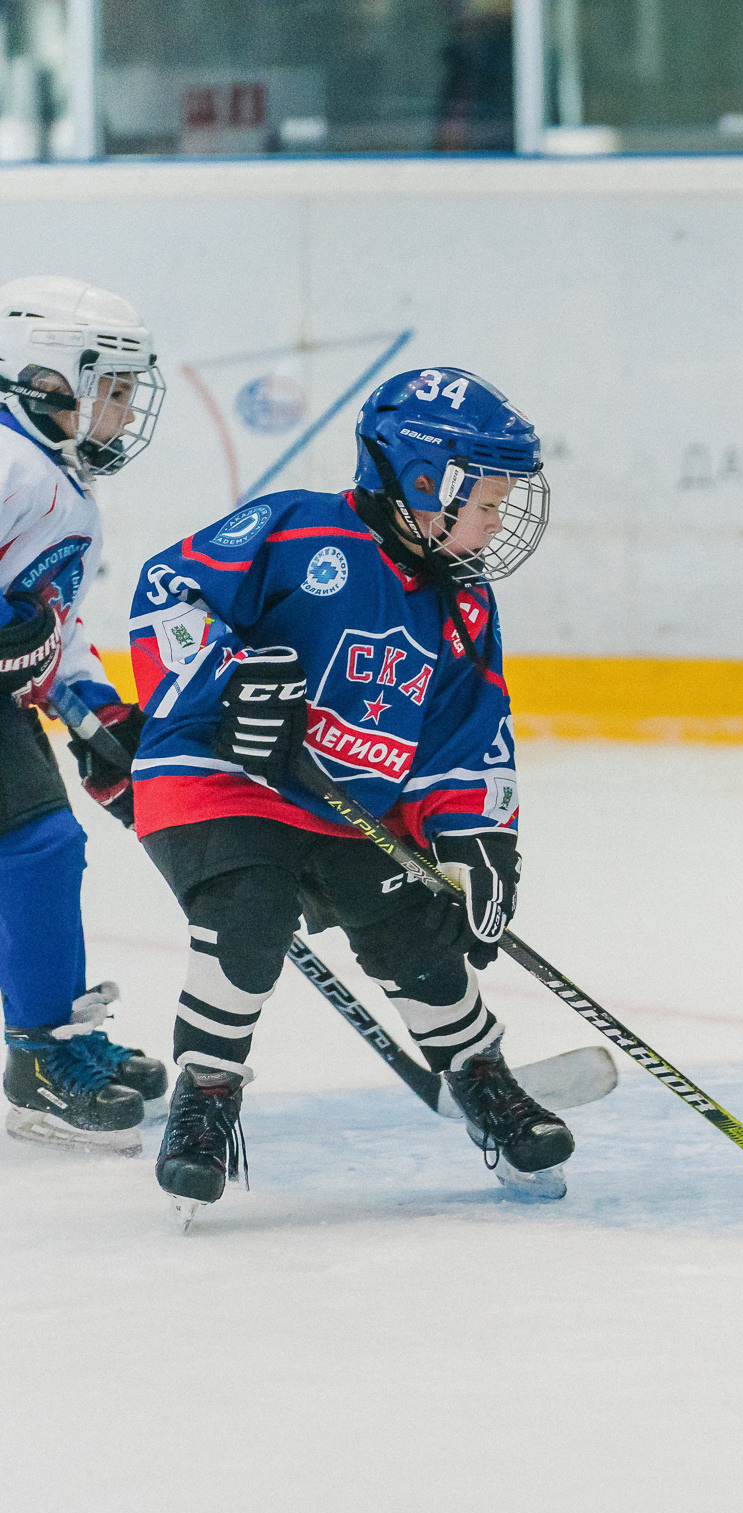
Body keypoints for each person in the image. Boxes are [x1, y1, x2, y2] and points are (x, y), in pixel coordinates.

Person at [125, 366, 567, 1209]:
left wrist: (476, 837)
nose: (498, 523)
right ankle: (207, 1096)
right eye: (486, 503)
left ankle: (480, 1077)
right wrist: (231, 682)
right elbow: (165, 594)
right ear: (422, 480)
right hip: (222, 776)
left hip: (350, 799)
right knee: (248, 915)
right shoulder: (297, 531)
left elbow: (468, 735)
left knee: (418, 934)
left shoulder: (463, 604)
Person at [0, 275, 170, 1151]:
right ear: (47, 377)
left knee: (39, 850)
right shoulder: (8, 459)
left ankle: (50, 1031)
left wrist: (90, 709)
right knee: (36, 847)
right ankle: (36, 1060)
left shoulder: (55, 481)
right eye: (112, 387)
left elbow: (49, 628)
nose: (124, 409)